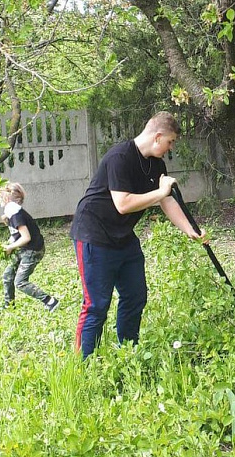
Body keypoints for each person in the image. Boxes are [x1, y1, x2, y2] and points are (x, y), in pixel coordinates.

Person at [70, 111, 204, 359]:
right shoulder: (119, 157)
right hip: (93, 235)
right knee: (96, 305)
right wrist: (161, 191)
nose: (171, 147)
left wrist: (190, 231)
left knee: (135, 296)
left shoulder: (156, 164)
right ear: (158, 136)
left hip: (123, 238)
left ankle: (127, 354)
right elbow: (123, 203)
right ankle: (82, 364)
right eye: (170, 142)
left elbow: (167, 202)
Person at [0, 182, 59, 311]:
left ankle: (50, 301)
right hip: (24, 249)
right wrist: (10, 243)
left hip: (32, 250)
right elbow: (16, 234)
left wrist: (11, 247)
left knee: (20, 282)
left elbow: (26, 237)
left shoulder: (15, 213)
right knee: (8, 275)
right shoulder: (11, 211)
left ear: (6, 197)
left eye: (0, 196)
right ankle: (9, 306)